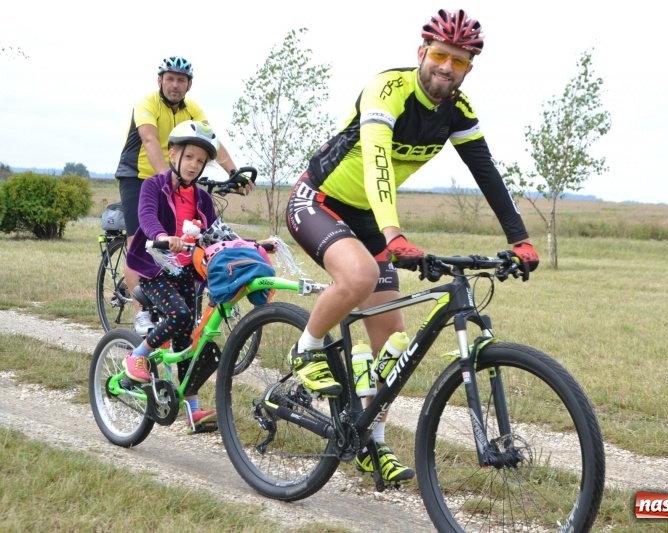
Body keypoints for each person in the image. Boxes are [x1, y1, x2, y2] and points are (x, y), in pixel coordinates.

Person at [284, 9, 540, 482]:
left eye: (458, 61)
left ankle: (370, 444)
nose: (446, 67)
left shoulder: (458, 112)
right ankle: (307, 347)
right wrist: (393, 233)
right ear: (422, 53)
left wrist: (518, 237)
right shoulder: (388, 89)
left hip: (368, 220)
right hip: (319, 200)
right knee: (358, 276)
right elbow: (378, 164)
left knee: (393, 348)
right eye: (440, 55)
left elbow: (486, 173)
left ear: (468, 69)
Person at [114, 56, 242, 335]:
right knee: (141, 239)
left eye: (181, 80)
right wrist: (169, 181)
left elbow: (212, 142)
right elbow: (149, 140)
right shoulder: (146, 103)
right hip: (138, 175)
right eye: (169, 78)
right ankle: (142, 313)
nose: (175, 85)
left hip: (175, 174)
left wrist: (234, 172)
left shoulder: (193, 108)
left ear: (189, 85)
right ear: (159, 80)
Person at [123, 121, 227, 432]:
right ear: (173, 154)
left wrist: (251, 245)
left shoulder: (202, 199)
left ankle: (193, 411)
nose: (195, 165)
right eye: (190, 157)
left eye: (201, 160)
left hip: (185, 272)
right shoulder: (154, 185)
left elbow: (217, 233)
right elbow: (147, 215)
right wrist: (161, 237)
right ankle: (138, 356)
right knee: (180, 316)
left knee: (187, 342)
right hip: (156, 266)